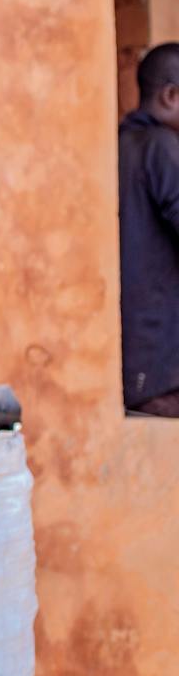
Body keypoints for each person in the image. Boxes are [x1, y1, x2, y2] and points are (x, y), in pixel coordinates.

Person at [121, 42, 179, 416]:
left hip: (136, 362)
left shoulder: (121, 146)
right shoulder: (162, 148)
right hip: (163, 367)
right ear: (171, 96)